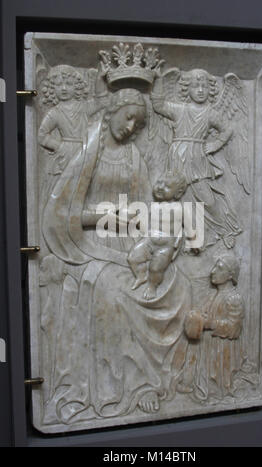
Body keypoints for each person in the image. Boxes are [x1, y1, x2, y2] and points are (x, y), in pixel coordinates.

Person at [42, 87, 193, 424]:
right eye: (128, 119)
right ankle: (127, 386)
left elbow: (145, 207)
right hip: (88, 246)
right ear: (112, 111)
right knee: (113, 291)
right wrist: (106, 215)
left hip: (131, 241)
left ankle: (155, 382)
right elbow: (65, 213)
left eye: (138, 125)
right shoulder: (87, 154)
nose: (131, 128)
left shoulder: (133, 157)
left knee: (178, 284)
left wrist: (155, 234)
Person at [151, 69, 242, 249]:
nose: (200, 90)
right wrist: (158, 78)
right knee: (180, 199)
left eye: (204, 86)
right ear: (187, 89)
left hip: (197, 157)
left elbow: (228, 129)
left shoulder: (210, 113)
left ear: (211, 90)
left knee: (206, 199)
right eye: (195, 86)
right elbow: (158, 105)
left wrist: (215, 145)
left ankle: (225, 230)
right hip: (177, 156)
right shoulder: (179, 109)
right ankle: (191, 240)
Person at [127, 169, 200, 299]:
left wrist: (194, 242)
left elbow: (190, 226)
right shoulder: (153, 206)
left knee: (156, 269)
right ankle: (141, 275)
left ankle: (152, 287)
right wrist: (135, 221)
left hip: (165, 247)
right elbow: (143, 221)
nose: (160, 187)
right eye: (159, 183)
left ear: (178, 193)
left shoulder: (180, 209)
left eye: (167, 186)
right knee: (132, 258)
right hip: (149, 241)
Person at [182, 254, 245, 399]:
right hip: (209, 348)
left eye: (219, 268)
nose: (212, 271)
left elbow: (235, 329)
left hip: (223, 350)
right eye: (215, 266)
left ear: (230, 275)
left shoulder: (233, 299)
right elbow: (204, 314)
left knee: (218, 387)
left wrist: (211, 323)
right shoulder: (212, 296)